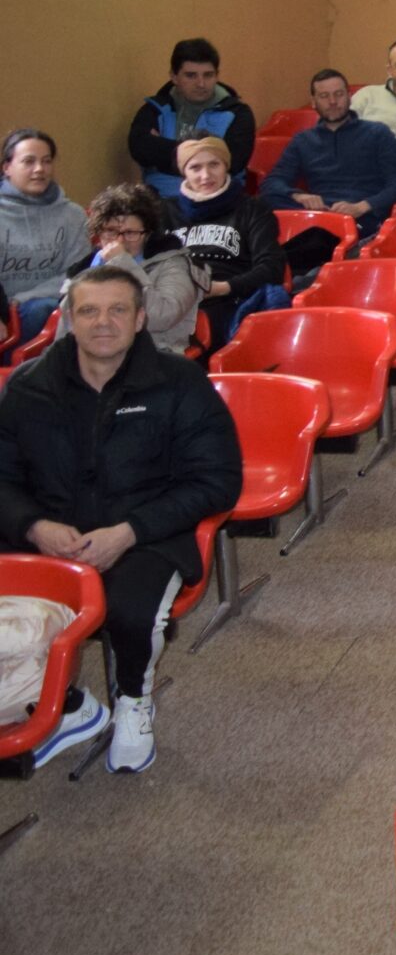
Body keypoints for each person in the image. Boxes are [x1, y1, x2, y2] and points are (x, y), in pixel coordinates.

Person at [0, 266, 241, 774]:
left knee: (130, 611)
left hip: (144, 533)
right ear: (69, 318)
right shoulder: (29, 385)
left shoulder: (180, 382)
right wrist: (34, 526)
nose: (102, 322)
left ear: (140, 319)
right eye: (88, 311)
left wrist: (128, 532)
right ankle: (69, 707)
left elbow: (217, 480)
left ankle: (133, 698)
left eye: (117, 310)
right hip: (45, 533)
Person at [258, 69, 396, 241]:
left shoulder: (378, 133)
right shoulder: (303, 140)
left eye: (339, 94)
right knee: (258, 205)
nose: (333, 102)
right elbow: (272, 183)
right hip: (318, 216)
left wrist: (361, 207)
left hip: (362, 217)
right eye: (324, 96)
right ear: (313, 102)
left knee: (312, 240)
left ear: (349, 97)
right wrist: (299, 196)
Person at [169, 138, 285, 347]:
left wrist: (220, 288)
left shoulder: (253, 209)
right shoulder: (164, 211)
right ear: (183, 172)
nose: (206, 175)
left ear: (226, 166)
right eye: (195, 168)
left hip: (229, 299)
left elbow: (272, 268)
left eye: (214, 164)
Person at [74, 185, 207, 356]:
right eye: (110, 231)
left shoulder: (174, 263)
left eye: (130, 233)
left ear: (147, 234)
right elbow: (69, 321)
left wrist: (123, 264)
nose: (120, 241)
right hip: (96, 354)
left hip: (154, 353)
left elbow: (161, 317)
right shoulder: (88, 265)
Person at [127, 39, 254, 200]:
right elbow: (140, 149)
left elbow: (234, 162)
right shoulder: (155, 109)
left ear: (217, 75)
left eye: (208, 75)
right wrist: (211, 154)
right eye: (191, 75)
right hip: (161, 200)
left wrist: (163, 150)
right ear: (174, 77)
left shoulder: (238, 113)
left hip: (218, 201)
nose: (201, 84)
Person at [0, 130, 90, 338]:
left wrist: (24, 298)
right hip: (4, 313)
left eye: (46, 161)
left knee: (46, 309)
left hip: (51, 307)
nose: (39, 169)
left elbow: (78, 273)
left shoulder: (72, 215)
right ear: (7, 168)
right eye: (29, 161)